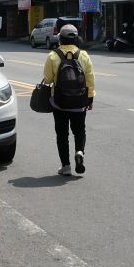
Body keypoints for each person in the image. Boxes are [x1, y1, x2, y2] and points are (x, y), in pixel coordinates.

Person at [43, 23, 96, 176]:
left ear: (60, 38)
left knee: (62, 134)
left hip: (59, 101)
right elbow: (90, 79)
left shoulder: (53, 55)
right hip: (79, 102)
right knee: (79, 131)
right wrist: (90, 99)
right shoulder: (84, 55)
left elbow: (47, 79)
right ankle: (79, 151)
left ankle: (65, 166)